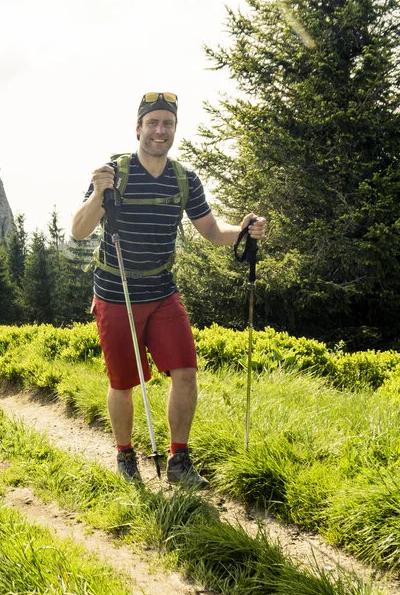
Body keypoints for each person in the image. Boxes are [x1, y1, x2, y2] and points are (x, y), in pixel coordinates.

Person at [70, 91, 268, 485]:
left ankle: (179, 461)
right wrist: (97, 194)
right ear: (139, 128)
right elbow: (79, 231)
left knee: (186, 372)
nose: (160, 130)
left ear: (174, 129)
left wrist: (243, 231)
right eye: (153, 123)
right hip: (117, 292)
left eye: (168, 123)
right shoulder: (114, 173)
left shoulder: (184, 179)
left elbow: (211, 230)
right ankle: (125, 456)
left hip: (163, 292)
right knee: (123, 383)